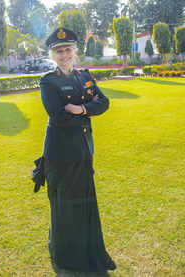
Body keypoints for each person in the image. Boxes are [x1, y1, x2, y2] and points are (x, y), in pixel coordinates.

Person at [39, 27, 116, 274]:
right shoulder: (49, 81)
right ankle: (66, 255)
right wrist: (83, 108)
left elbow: (103, 103)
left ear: (75, 51)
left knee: (84, 203)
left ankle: (88, 250)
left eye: (68, 49)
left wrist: (81, 109)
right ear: (53, 55)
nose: (64, 54)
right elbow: (58, 116)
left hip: (83, 150)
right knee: (65, 204)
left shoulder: (85, 76)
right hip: (61, 154)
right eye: (59, 51)